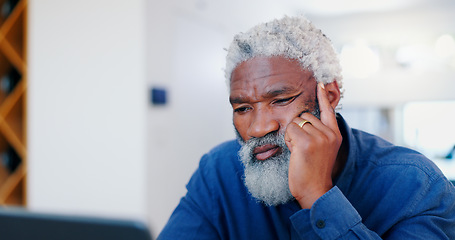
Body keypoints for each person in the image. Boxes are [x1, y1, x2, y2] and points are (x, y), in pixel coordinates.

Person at [158, 16, 455, 239]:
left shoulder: (416, 185)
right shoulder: (218, 173)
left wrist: (317, 196)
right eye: (243, 108)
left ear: (330, 95)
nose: (259, 128)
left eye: (281, 99)